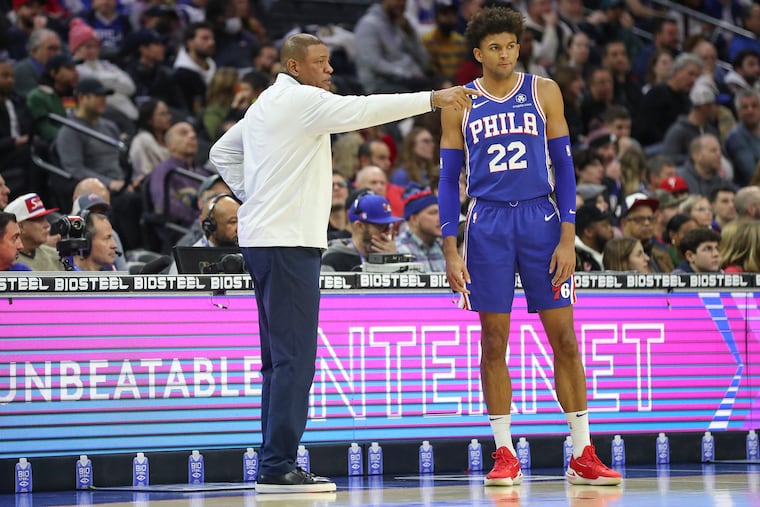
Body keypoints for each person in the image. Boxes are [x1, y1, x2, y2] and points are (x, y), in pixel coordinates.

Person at [209, 32, 475, 493]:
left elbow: (221, 153)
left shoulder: (265, 104)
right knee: (295, 361)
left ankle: (275, 460)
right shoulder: (302, 102)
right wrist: (434, 97)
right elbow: (365, 109)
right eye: (321, 62)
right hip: (289, 242)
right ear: (295, 67)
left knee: (278, 362)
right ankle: (277, 466)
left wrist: (256, 198)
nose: (330, 70)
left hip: (265, 240)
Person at [436, 6, 621, 488]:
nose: (505, 54)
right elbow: (446, 178)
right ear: (478, 53)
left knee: (565, 339)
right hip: (487, 223)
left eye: (512, 45)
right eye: (495, 47)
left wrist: (568, 235)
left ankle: (582, 451)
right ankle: (504, 452)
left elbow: (564, 166)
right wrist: (450, 249)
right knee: (493, 341)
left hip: (540, 219)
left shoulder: (544, 90)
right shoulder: (460, 101)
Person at [321, 192, 402, 273]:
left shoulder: (391, 253)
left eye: (389, 225)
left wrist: (393, 259)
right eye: (381, 226)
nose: (387, 232)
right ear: (359, 226)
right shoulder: (334, 259)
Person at [4, 192, 63, 271]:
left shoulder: (55, 255)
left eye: (45, 218)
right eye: (39, 220)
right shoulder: (7, 261)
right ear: (20, 226)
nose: (47, 225)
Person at [396, 186, 444, 272]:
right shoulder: (399, 250)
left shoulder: (442, 247)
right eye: (433, 213)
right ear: (414, 219)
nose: (440, 218)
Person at [574, 204, 613, 271]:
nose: (611, 229)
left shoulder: (610, 255)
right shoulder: (574, 259)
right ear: (589, 231)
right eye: (605, 225)